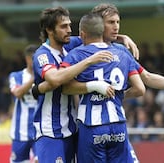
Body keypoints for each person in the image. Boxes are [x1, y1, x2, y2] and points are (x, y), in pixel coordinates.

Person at [32, 6, 114, 163]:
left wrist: (123, 38)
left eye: (69, 25)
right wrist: (89, 60)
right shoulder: (42, 55)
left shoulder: (69, 45)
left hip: (73, 128)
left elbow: (96, 35)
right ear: (49, 30)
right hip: (50, 131)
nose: (69, 30)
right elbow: (54, 79)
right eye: (63, 26)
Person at [60, 13, 145, 162]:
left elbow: (64, 86)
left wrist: (93, 86)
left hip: (92, 126)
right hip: (118, 124)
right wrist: (117, 95)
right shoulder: (123, 54)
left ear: (82, 34)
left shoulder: (77, 54)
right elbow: (140, 88)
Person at [8, 44, 39, 162]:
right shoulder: (16, 76)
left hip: (39, 131)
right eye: (34, 58)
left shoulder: (46, 77)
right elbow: (17, 93)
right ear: (27, 59)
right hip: (20, 132)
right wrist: (34, 78)